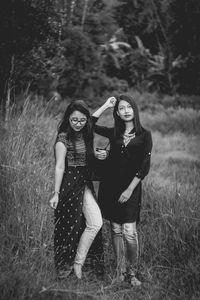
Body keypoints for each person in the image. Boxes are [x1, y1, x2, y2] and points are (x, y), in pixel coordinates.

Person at [92, 94, 153, 286]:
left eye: (129, 107)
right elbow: (89, 125)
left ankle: (132, 273)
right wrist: (106, 105)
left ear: (134, 110)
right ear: (117, 113)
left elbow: (144, 166)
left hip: (131, 188)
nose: (126, 111)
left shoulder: (145, 135)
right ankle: (119, 271)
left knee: (129, 231)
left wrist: (129, 190)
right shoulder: (114, 134)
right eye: (121, 108)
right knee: (116, 229)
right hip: (110, 186)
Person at [49, 100, 103, 280]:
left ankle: (79, 264)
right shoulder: (63, 138)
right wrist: (56, 193)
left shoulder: (86, 131)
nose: (78, 124)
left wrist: (107, 105)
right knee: (69, 227)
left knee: (95, 223)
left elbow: (93, 119)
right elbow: (59, 167)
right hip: (69, 186)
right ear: (68, 119)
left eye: (82, 120)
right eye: (74, 120)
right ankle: (67, 266)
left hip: (84, 183)